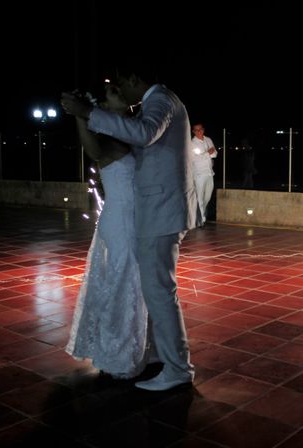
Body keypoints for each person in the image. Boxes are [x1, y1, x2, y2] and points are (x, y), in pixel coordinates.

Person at [61, 54, 199, 391]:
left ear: (134, 78)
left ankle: (177, 368)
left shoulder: (162, 101)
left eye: (120, 83)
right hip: (154, 212)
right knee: (155, 293)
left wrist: (88, 114)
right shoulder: (159, 102)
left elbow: (145, 133)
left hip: (160, 212)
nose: (119, 89)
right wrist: (88, 117)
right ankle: (159, 356)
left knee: (159, 294)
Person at [65, 85, 150, 379]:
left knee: (133, 283)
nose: (112, 95)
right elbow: (92, 149)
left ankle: (133, 347)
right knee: (121, 281)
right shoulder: (108, 140)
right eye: (109, 95)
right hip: (120, 220)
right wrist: (80, 116)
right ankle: (116, 353)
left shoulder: (136, 133)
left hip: (137, 220)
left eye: (113, 92)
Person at [190, 123, 217, 225]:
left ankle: (199, 213)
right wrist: (207, 153)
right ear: (193, 132)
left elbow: (214, 154)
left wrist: (205, 154)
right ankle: (201, 219)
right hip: (199, 174)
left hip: (209, 173)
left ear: (203, 130)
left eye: (200, 129)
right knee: (199, 197)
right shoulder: (192, 143)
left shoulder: (208, 140)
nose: (198, 131)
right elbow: (195, 159)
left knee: (207, 197)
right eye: (196, 130)